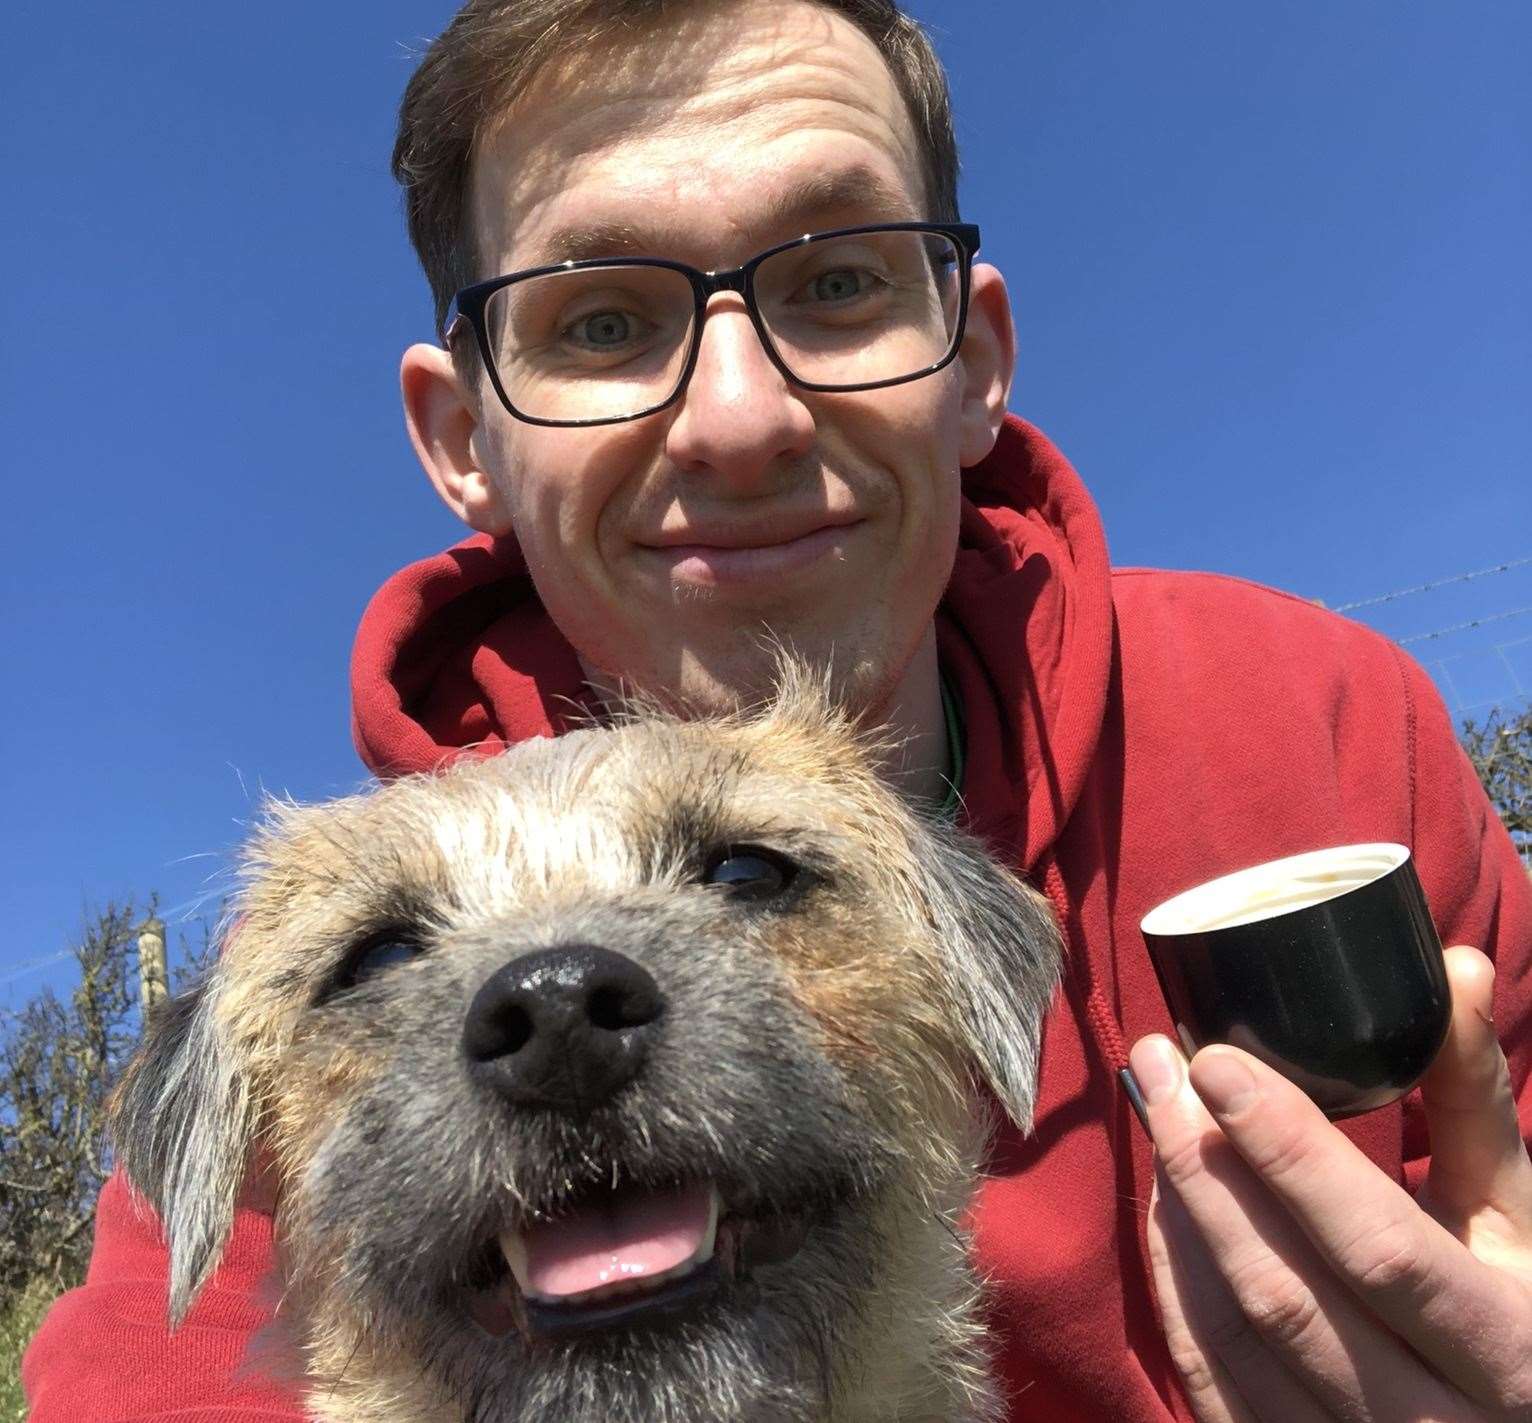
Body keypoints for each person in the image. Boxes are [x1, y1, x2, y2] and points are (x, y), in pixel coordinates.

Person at [24, 1, 1532, 1419]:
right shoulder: (281, 990)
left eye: (836, 281)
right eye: (601, 322)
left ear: (976, 356)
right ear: (462, 435)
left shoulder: (1320, 727)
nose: (740, 420)